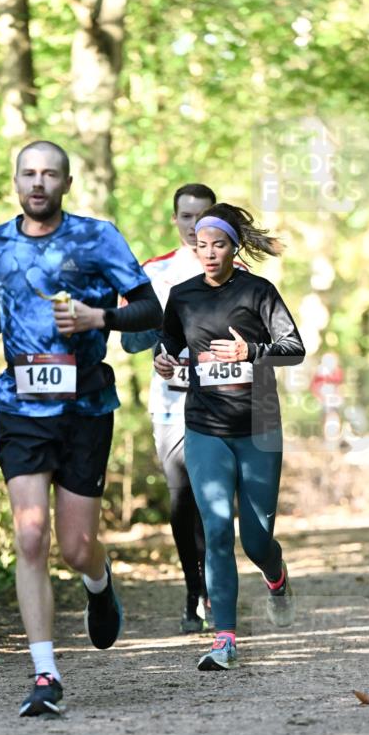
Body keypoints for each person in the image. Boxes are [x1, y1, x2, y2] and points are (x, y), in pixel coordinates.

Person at [0, 140, 162, 717]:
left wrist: (101, 317)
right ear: (16, 181)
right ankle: (45, 673)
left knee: (75, 549)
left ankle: (98, 582)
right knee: (30, 536)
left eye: (50, 174)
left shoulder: (98, 238)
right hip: (20, 406)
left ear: (67, 184)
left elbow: (151, 310)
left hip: (85, 407)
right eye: (29, 173)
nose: (38, 182)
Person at [154, 203, 305, 672]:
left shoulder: (259, 292)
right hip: (205, 427)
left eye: (218, 245)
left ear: (233, 248)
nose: (209, 253)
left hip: (259, 426)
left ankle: (276, 577)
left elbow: (294, 349)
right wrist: (165, 360)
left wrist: (250, 351)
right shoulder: (182, 296)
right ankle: (224, 639)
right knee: (217, 529)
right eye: (201, 245)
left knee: (256, 541)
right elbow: (169, 345)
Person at [123, 184, 247, 633]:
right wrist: (160, 335)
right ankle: (193, 591)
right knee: (182, 498)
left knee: (215, 499)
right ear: (174, 220)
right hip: (171, 404)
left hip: (223, 402)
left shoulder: (236, 270)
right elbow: (131, 341)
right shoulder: (154, 271)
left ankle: (216, 590)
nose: (195, 226)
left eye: (203, 216)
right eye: (186, 217)